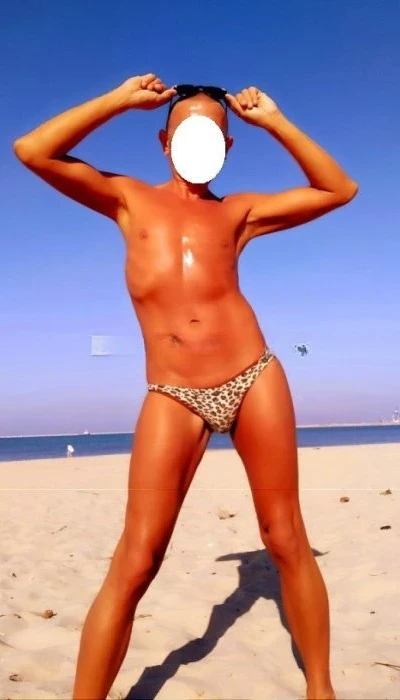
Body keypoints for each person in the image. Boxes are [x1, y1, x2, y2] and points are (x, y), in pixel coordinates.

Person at [13, 73, 358, 700]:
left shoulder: (237, 212)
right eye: (187, 130)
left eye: (213, 134)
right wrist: (116, 100)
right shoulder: (128, 199)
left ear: (227, 146)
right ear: (164, 141)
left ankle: (321, 690)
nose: (200, 141)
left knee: (284, 537)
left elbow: (339, 188)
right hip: (173, 393)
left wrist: (274, 121)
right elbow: (32, 150)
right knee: (137, 557)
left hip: (253, 376)